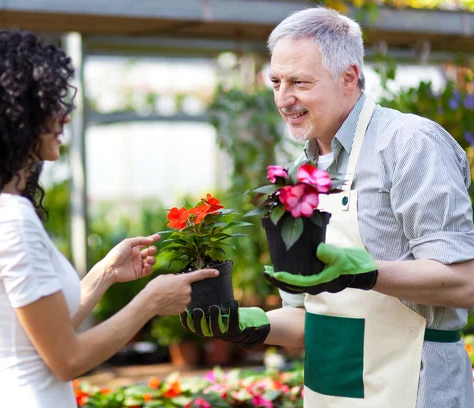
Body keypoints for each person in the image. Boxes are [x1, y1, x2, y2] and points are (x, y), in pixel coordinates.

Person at [0, 31, 218, 408]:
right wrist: (150, 301)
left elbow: (37, 334)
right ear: (11, 116)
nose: (64, 114)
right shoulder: (8, 218)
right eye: (49, 104)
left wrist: (105, 273)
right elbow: (67, 359)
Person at [181, 7, 474, 407]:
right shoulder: (299, 175)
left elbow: (465, 282)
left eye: (300, 82)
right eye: (276, 82)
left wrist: (364, 273)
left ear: (348, 77)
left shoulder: (409, 144)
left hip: (417, 387)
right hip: (331, 391)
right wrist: (246, 324)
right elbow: (309, 319)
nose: (284, 99)